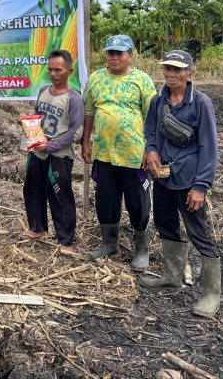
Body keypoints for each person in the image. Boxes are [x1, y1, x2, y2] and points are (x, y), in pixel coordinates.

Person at [140, 50, 221, 317]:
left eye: (177, 69)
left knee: (199, 233)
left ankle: (211, 294)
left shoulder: (201, 103)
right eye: (167, 68)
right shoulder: (158, 100)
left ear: (190, 73)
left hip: (189, 181)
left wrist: (201, 186)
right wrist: (151, 150)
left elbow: (209, 147)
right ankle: (171, 277)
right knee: (165, 224)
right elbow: (150, 130)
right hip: (163, 177)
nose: (171, 74)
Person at [81, 34, 156, 271]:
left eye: (119, 53)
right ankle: (109, 243)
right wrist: (85, 143)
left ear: (130, 55)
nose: (114, 57)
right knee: (106, 200)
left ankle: (141, 249)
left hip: (134, 154)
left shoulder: (142, 80)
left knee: (138, 202)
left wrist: (150, 149)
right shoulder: (96, 78)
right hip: (104, 153)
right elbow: (89, 112)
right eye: (110, 53)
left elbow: (152, 118)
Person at [20, 50, 84, 249]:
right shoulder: (43, 91)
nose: (53, 74)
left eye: (58, 70)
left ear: (69, 72)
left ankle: (65, 240)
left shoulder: (74, 99)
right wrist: (27, 121)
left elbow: (76, 132)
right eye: (50, 69)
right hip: (37, 151)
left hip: (58, 155)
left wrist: (51, 146)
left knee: (60, 195)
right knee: (33, 189)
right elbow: (39, 116)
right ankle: (37, 228)